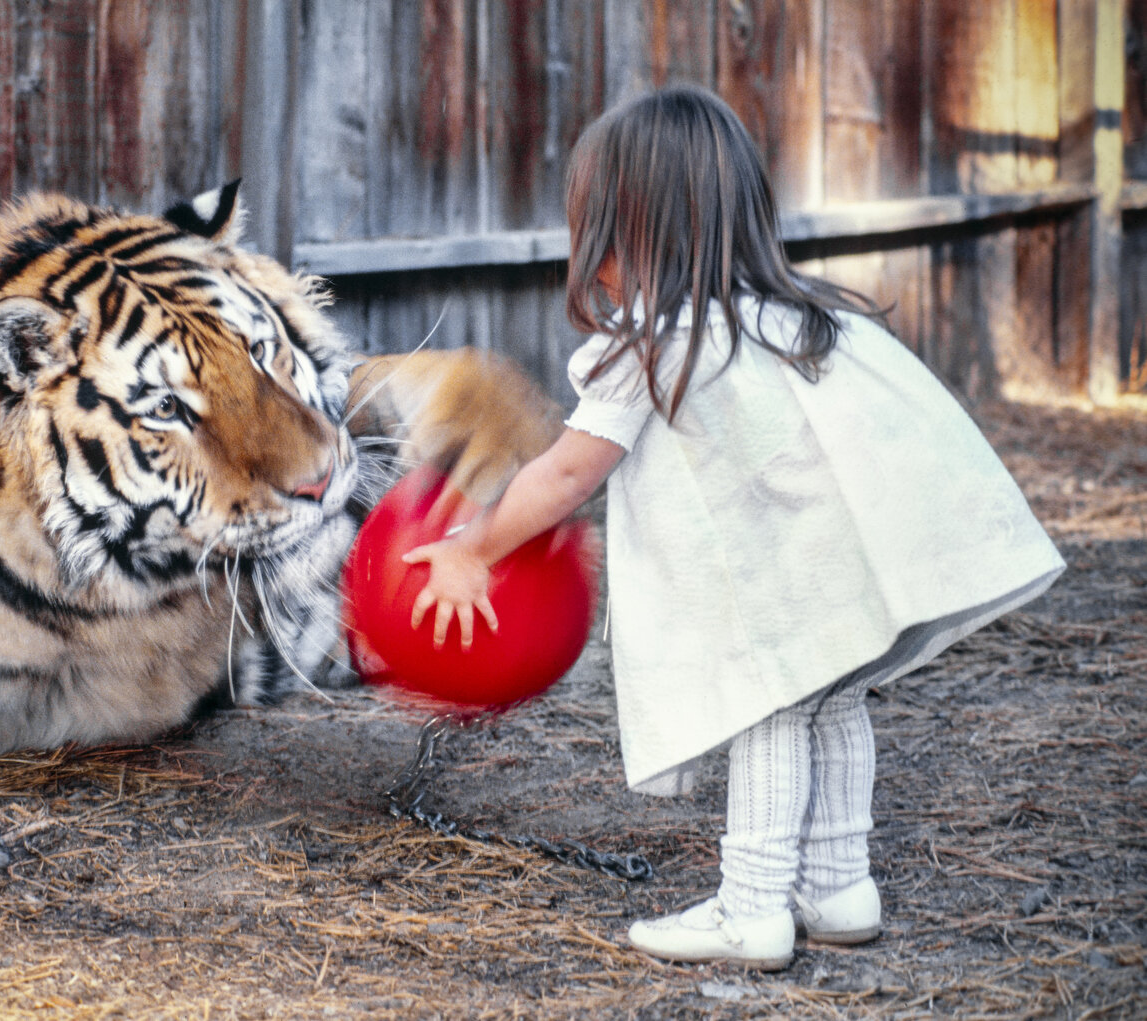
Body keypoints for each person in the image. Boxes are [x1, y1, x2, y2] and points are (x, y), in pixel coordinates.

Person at [402, 85, 1065, 971]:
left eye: (591, 226)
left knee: (771, 711)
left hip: (786, 582)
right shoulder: (793, 319)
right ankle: (837, 885)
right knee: (832, 699)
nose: (586, 255)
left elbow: (565, 470)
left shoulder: (657, 345)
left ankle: (753, 906)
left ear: (628, 237)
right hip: (848, 571)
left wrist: (473, 547)